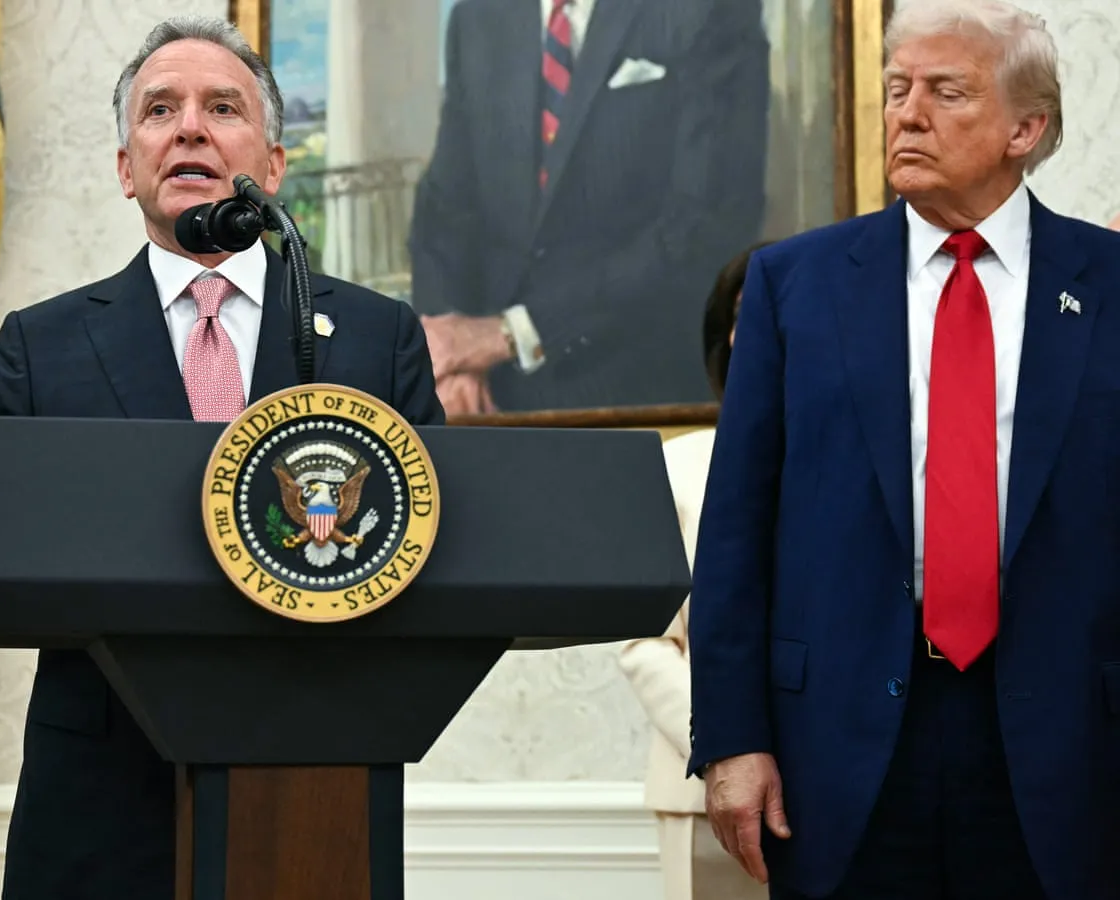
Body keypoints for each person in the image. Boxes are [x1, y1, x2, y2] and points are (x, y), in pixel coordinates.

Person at [0, 16, 442, 900]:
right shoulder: (43, 345)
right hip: (97, 805)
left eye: (222, 108)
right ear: (127, 168)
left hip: (316, 786)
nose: (189, 127)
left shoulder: (377, 339)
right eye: (160, 110)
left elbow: (436, 552)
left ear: (274, 165)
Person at [686, 2, 1120, 898]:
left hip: (1072, 743)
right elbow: (735, 532)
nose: (907, 114)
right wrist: (731, 738)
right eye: (896, 90)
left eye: (946, 92)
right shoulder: (793, 286)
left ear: (1025, 129)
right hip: (838, 744)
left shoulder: (1108, 283)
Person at [407, 0, 769, 415]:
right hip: (483, 399)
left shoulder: (710, 9)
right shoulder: (479, 17)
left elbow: (702, 227)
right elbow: (445, 212)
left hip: (641, 398)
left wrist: (512, 333)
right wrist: (449, 358)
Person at [619, 243, 772, 900]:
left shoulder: (870, 468)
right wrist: (726, 743)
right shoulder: (675, 468)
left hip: (848, 780)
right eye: (743, 315)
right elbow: (645, 643)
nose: (757, 329)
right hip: (701, 792)